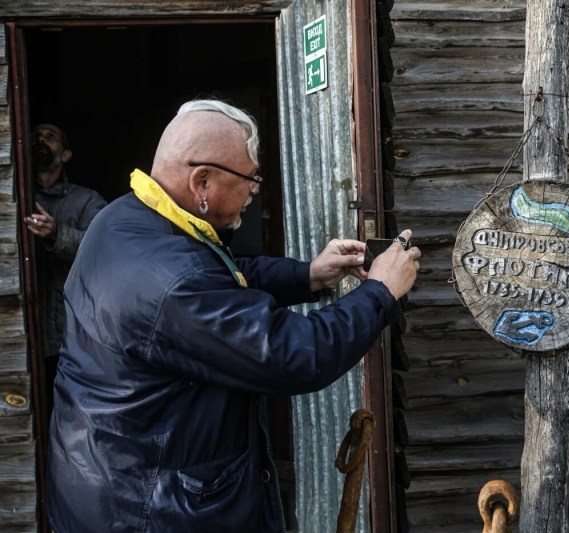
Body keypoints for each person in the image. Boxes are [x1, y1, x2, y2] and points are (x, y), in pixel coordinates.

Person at [45, 100, 420, 532]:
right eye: (249, 177)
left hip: (104, 474)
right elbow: (294, 355)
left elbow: (220, 276)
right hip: (148, 509)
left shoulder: (125, 219)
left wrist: (308, 275)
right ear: (201, 182)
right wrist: (380, 292)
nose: (256, 189)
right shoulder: (172, 281)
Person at [22, 124, 106, 417]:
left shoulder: (87, 200)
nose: (40, 139)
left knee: (67, 415)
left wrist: (56, 233)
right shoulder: (14, 197)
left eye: (50, 136)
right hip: (20, 331)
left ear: (67, 154)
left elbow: (102, 252)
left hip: (67, 336)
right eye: (35, 135)